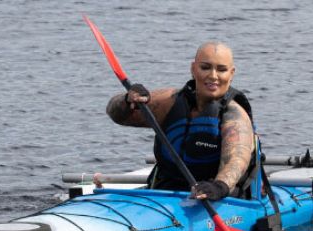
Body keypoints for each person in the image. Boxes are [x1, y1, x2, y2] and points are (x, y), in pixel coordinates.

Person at [105, 41, 258, 201]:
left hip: (217, 198)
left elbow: (236, 160)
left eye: (221, 70)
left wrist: (219, 186)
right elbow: (116, 114)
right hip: (164, 194)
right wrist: (127, 100)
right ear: (193, 69)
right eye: (205, 67)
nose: (213, 76)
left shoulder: (235, 115)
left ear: (231, 74)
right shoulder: (169, 102)